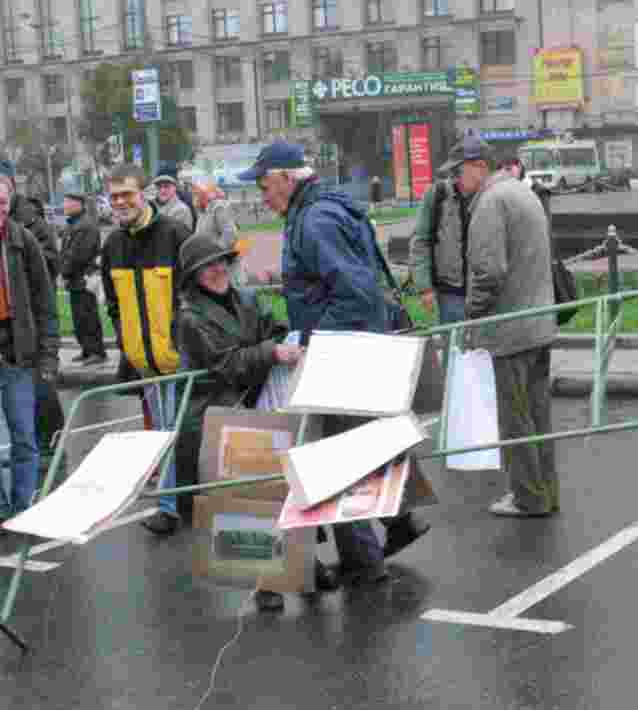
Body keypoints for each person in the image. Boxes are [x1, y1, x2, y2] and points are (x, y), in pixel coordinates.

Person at [237, 141, 429, 586]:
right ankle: (400, 521)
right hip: (356, 344)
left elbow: (354, 292)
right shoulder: (321, 209)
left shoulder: (316, 219)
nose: (262, 196)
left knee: (332, 458)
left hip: (340, 353)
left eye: (264, 185)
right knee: (359, 447)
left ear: (287, 178)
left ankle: (364, 560)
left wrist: (316, 341)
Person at [175, 234, 300, 611]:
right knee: (245, 498)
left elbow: (271, 327)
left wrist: (280, 339)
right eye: (207, 266)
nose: (217, 270)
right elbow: (224, 364)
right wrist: (272, 351)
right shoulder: (190, 318)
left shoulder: (247, 297)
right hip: (218, 407)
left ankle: (307, 563)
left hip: (258, 399)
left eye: (221, 262)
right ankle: (266, 584)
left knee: (283, 488)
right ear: (193, 276)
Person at [459, 133, 560, 517]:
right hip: (537, 323)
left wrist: (472, 315)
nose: (455, 181)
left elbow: (488, 271)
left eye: (459, 171)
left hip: (510, 330)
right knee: (539, 417)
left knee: (515, 419)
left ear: (479, 167)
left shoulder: (490, 201)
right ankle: (546, 491)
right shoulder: (521, 192)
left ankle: (527, 497)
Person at [101, 164, 193, 535]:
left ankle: (177, 503)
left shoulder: (175, 234)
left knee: (181, 433)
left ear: (145, 194)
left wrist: (186, 341)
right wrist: (127, 342)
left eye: (127, 193)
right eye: (115, 195)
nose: (121, 201)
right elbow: (112, 303)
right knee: (162, 435)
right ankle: (172, 505)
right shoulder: (114, 245)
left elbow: (197, 291)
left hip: (179, 358)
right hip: (144, 361)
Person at [0, 161, 65, 490]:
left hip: (20, 348)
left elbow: (45, 301)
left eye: (1, 200)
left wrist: (49, 355)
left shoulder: (25, 237)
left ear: (10, 196)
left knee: (26, 433)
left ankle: (25, 499)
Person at [409, 135, 482, 325]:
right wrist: (424, 287)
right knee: (454, 349)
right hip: (451, 294)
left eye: (459, 171)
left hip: (484, 293)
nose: (456, 177)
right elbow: (421, 240)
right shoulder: (437, 195)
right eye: (453, 172)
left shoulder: (492, 196)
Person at [60, 191, 107, 366]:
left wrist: (65, 273)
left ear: (79, 204)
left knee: (87, 315)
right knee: (79, 317)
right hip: (76, 279)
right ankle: (87, 350)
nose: (64, 206)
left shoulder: (85, 226)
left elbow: (78, 255)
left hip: (84, 278)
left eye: (68, 202)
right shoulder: (75, 224)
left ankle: (96, 351)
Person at [192, 182, 238, 252]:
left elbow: (230, 234)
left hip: (219, 258)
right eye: (194, 194)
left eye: (196, 194)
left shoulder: (219, 208)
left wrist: (216, 251)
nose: (194, 197)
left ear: (205, 194)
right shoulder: (202, 212)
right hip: (207, 257)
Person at [152, 163, 196, 232]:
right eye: (159, 187)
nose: (162, 190)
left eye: (166, 186)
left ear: (175, 187)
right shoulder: (150, 206)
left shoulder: (182, 210)